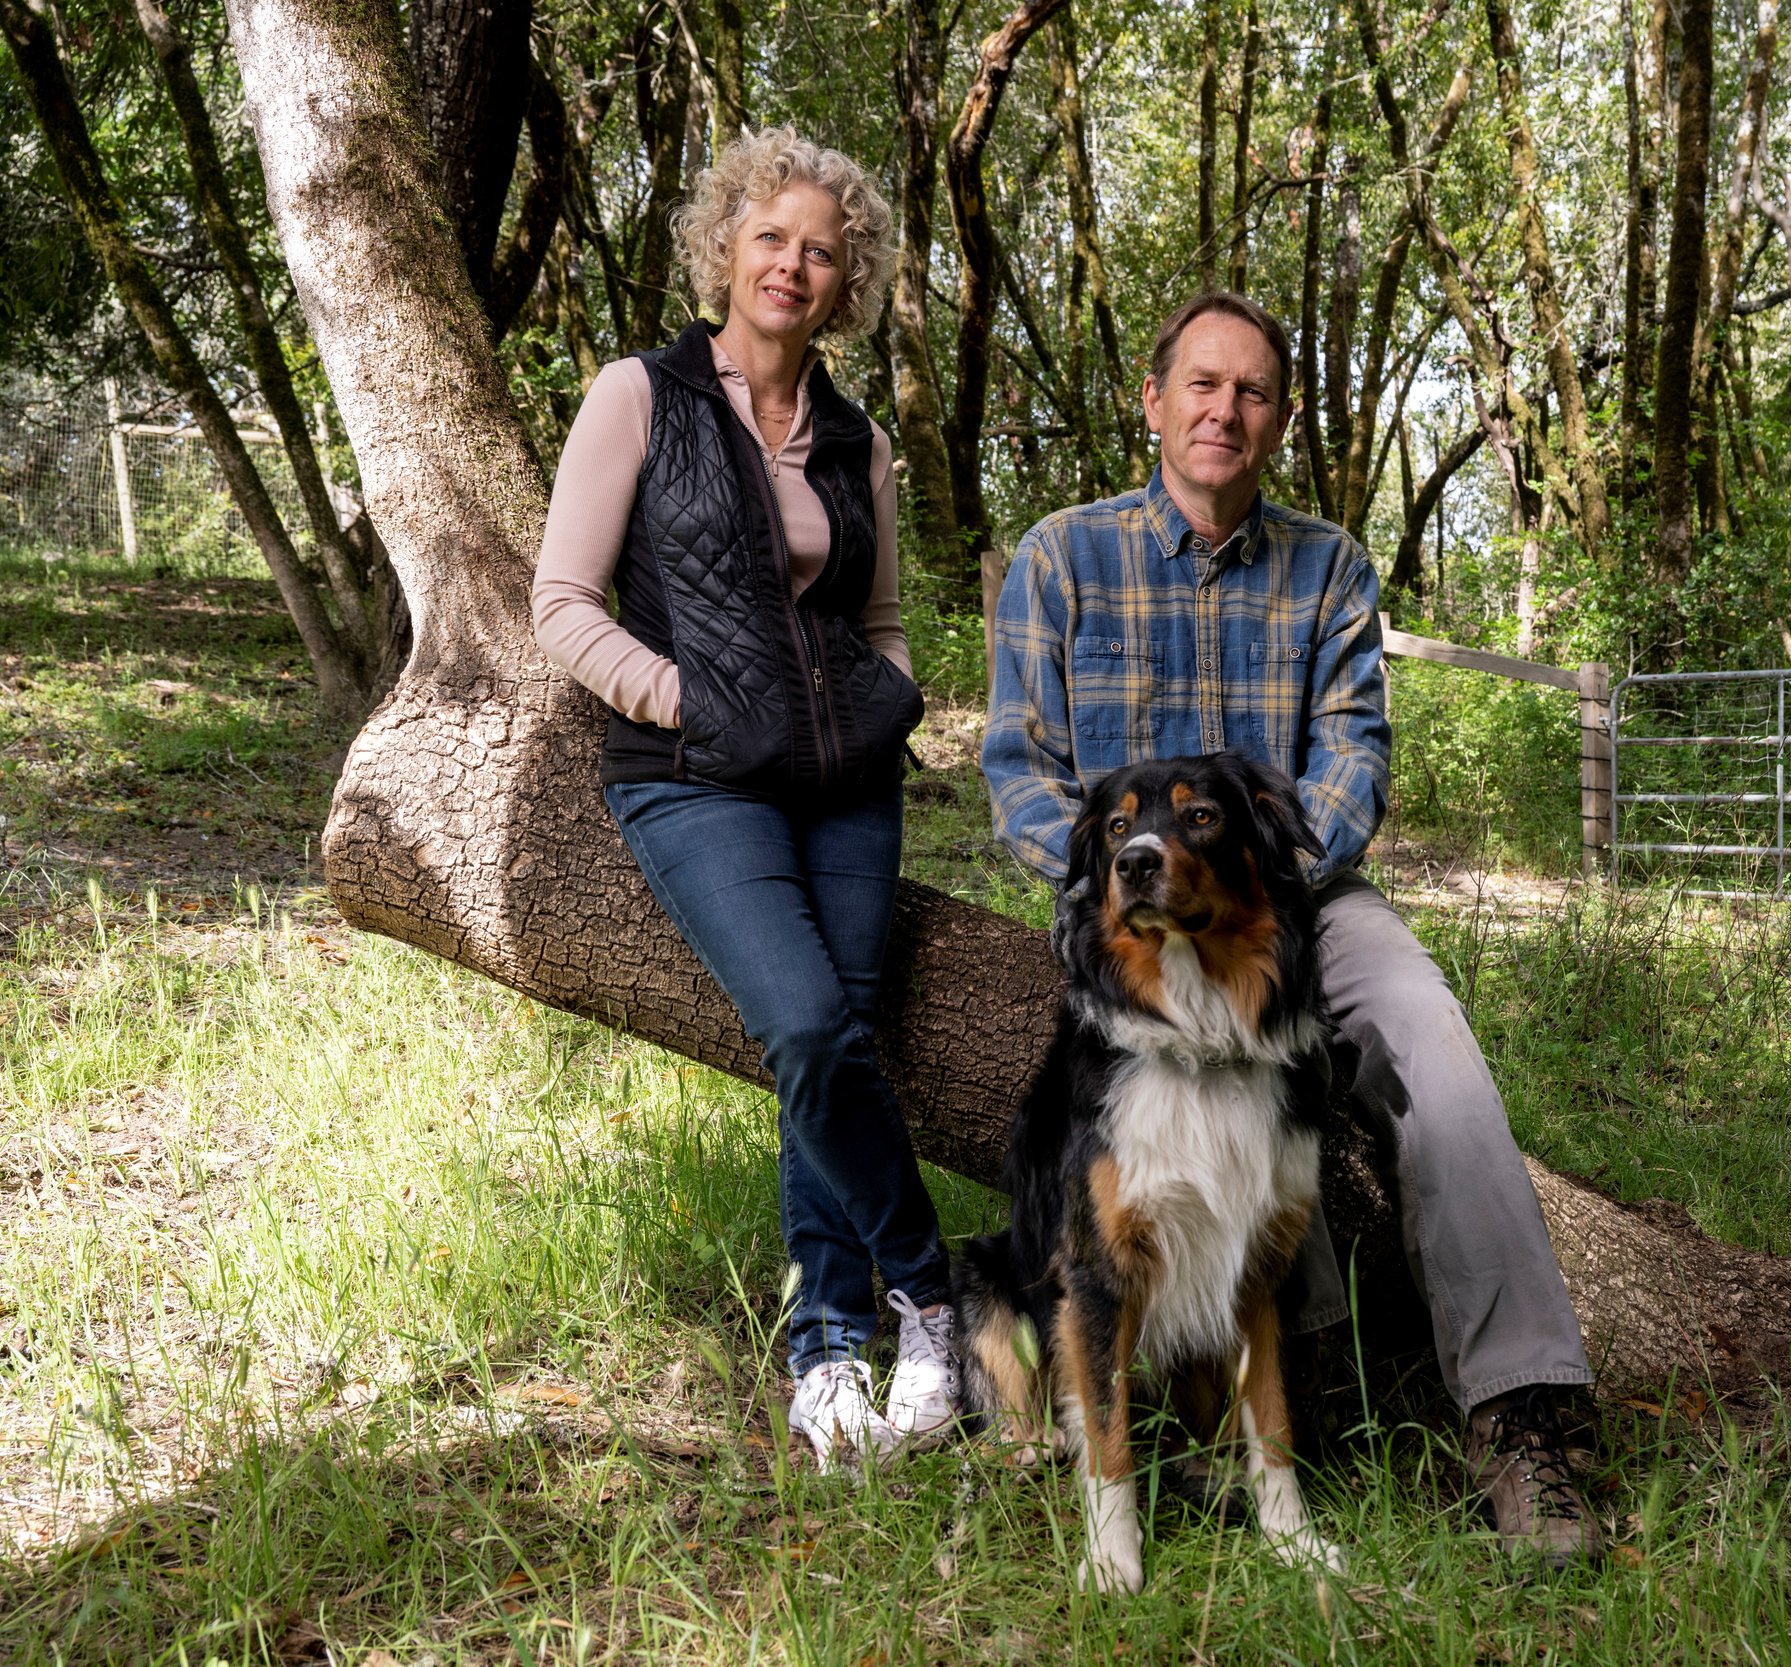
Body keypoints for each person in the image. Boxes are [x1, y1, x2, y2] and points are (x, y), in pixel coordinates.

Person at [982, 291, 1602, 1564]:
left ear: (1279, 419)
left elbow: (1354, 756)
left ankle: (1528, 1415)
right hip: (1121, 916)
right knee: (1127, 1126)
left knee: (1432, 1048)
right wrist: (1108, 883)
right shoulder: (1060, 556)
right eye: (1200, 385)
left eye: (1252, 391)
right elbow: (1017, 764)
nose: (1224, 410)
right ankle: (1275, 1390)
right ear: (1153, 402)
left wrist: (1266, 889)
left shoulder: (1328, 566)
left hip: (1293, 898)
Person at [532, 128, 954, 1465]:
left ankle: (829, 1348)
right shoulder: (639, 395)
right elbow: (560, 605)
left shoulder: (857, 437)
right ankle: (940, 1303)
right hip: (691, 780)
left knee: (824, 1052)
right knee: (813, 1029)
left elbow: (882, 626)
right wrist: (685, 702)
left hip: (846, 787)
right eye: (771, 236)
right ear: (726, 246)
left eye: (822, 249)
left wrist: (891, 701)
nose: (794, 262)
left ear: (849, 281)